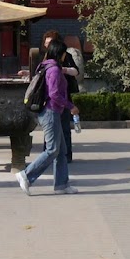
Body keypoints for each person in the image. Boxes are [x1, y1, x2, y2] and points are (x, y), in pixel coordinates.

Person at [15, 38, 80, 196]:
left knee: (61, 151)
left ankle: (61, 185)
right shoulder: (54, 70)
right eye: (64, 54)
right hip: (50, 112)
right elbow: (54, 95)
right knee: (52, 150)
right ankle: (26, 175)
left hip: (53, 112)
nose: (65, 56)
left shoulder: (45, 65)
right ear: (60, 53)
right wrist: (71, 107)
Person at [40, 29, 79, 162]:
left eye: (49, 43)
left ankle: (65, 156)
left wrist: (64, 70)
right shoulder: (47, 59)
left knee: (64, 128)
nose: (47, 46)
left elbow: (76, 71)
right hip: (51, 102)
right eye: (46, 44)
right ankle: (48, 156)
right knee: (50, 132)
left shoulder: (65, 57)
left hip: (64, 95)